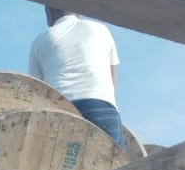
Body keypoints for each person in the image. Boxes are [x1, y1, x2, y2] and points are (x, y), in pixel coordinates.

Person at [28, 8, 125, 149]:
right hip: (101, 106)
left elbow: (36, 91)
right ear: (77, 9)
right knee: (115, 161)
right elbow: (112, 80)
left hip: (60, 110)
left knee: (59, 161)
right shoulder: (100, 29)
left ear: (49, 14)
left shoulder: (40, 40)